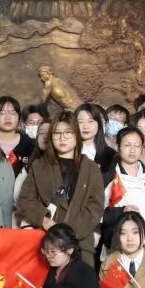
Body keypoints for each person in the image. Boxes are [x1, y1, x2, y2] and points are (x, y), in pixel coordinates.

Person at [16, 112, 105, 266]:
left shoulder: (91, 169)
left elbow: (95, 207)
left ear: (77, 135)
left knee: (80, 279)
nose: (62, 138)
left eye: (68, 132)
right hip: (47, 243)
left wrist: (68, 234)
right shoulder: (39, 165)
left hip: (80, 243)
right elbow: (25, 200)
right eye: (57, 133)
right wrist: (43, 219)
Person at [101, 126, 145, 258]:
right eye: (127, 145)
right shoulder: (108, 178)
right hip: (117, 241)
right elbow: (97, 213)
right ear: (118, 147)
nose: (132, 150)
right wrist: (121, 211)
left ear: (142, 148)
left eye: (137, 146)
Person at [0, 96, 39, 174]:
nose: (8, 117)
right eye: (2, 113)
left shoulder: (29, 145)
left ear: (19, 118)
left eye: (13, 113)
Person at [76, 103, 118, 179]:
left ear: (99, 124)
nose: (85, 126)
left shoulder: (110, 155)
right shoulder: (69, 151)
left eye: (90, 121)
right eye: (80, 122)